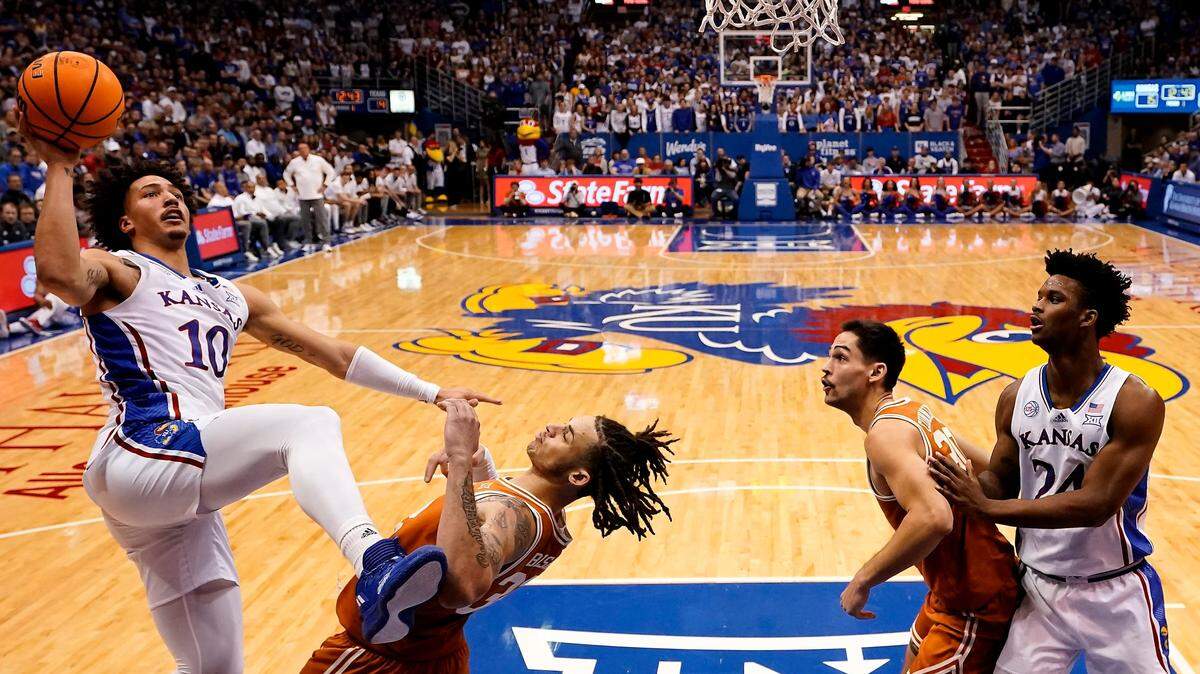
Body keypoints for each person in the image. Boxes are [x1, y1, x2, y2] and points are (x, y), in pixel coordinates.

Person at [18, 119, 499, 674]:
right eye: (151, 193)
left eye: (175, 192)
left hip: (175, 486)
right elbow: (57, 273)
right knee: (307, 423)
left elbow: (336, 355)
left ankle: (371, 567)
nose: (170, 199)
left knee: (213, 667)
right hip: (144, 448)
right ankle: (372, 560)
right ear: (126, 222)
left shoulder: (231, 295)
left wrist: (434, 392)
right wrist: (59, 166)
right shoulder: (121, 269)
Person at [930, 250, 1172, 673]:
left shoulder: (1134, 401)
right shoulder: (1015, 396)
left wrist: (988, 507)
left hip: (1116, 593)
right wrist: (953, 481)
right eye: (1038, 296)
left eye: (1054, 298)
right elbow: (1000, 481)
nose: (1037, 305)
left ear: (1087, 318)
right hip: (1038, 590)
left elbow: (1096, 504)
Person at [302, 403, 675, 673]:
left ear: (578, 477)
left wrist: (462, 459)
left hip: (381, 659)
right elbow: (491, 530)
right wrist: (477, 473)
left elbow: (462, 586)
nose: (551, 426)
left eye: (566, 435)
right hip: (441, 654)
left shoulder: (503, 512)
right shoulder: (551, 527)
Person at [821, 320, 1018, 672]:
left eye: (840, 357)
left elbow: (933, 517)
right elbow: (994, 471)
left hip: (975, 600)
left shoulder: (885, 434)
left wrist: (863, 580)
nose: (826, 367)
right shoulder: (912, 412)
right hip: (954, 590)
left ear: (875, 372)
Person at [283, 142, 337, 252]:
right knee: (305, 220)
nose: (303, 151)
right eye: (300, 149)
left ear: (308, 149)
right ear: (298, 151)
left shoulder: (318, 159)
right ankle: (309, 242)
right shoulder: (294, 162)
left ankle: (326, 242)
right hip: (302, 196)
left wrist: (325, 185)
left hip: (317, 195)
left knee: (322, 219)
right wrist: (292, 185)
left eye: (304, 148)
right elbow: (286, 174)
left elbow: (331, 171)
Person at [0, 280, 75, 338]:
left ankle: (36, 323)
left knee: (52, 297)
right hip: (53, 316)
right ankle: (8, 329)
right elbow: (37, 295)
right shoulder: (42, 276)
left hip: (71, 315)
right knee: (29, 323)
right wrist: (42, 301)